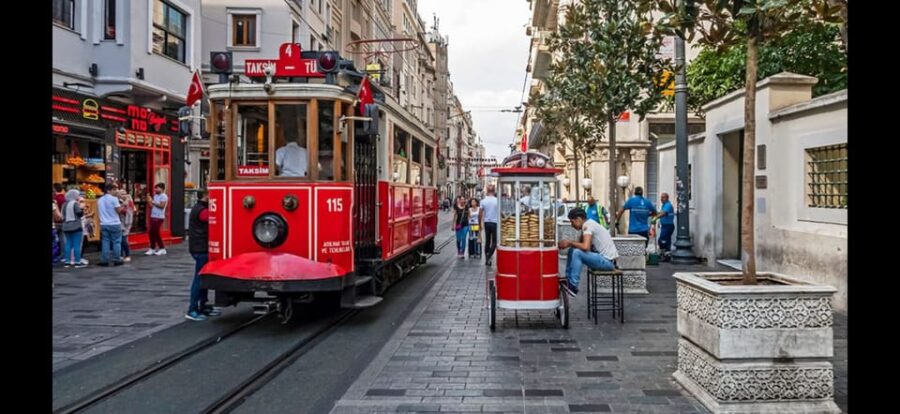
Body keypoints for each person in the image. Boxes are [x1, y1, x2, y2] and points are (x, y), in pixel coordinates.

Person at [558, 208, 618, 297]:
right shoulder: (588, 225)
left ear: (578, 219)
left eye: (572, 222)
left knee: (577, 253)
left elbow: (585, 247)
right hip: (602, 259)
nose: (572, 225)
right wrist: (569, 244)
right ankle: (568, 279)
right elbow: (580, 246)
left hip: (608, 262)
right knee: (572, 250)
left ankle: (573, 285)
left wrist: (569, 242)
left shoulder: (588, 226)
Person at [185, 190, 220, 321]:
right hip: (200, 247)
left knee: (203, 277)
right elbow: (212, 218)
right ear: (205, 196)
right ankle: (192, 309)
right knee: (199, 278)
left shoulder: (199, 208)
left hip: (199, 246)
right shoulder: (202, 210)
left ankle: (203, 305)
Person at [97, 183, 125, 266]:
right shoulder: (114, 199)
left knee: (105, 242)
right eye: (114, 190)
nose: (116, 191)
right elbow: (118, 211)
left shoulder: (100, 200)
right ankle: (117, 259)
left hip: (104, 223)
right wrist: (123, 204)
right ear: (109, 190)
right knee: (116, 242)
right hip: (114, 223)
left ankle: (104, 260)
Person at [60, 189, 86, 268]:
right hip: (76, 226)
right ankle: (77, 262)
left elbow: (62, 215)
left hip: (65, 226)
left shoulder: (64, 204)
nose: (78, 196)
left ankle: (67, 262)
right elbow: (79, 214)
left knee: (68, 244)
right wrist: (82, 208)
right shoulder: (75, 203)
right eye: (77, 195)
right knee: (76, 245)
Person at [146, 183, 168, 256]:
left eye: (157, 188)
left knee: (155, 232)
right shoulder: (155, 196)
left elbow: (162, 206)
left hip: (159, 216)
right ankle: (152, 248)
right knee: (151, 232)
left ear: (162, 189)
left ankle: (162, 248)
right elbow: (151, 206)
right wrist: (149, 201)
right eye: (155, 188)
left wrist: (153, 202)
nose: (155, 189)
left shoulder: (164, 196)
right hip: (153, 215)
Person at [480, 185, 499, 266]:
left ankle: (487, 259)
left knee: (487, 241)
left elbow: (480, 213)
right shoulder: (497, 200)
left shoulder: (483, 201)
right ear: (494, 191)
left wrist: (480, 223)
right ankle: (489, 256)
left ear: (487, 191)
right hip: (495, 222)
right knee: (494, 242)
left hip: (487, 222)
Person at [656, 192, 676, 261]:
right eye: (661, 197)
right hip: (665, 226)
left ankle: (663, 254)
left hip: (668, 226)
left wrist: (655, 218)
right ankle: (667, 255)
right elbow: (661, 213)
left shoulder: (668, 205)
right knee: (667, 241)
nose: (661, 199)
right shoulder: (664, 205)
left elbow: (663, 213)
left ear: (667, 198)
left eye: (663, 197)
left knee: (661, 240)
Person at [118, 190, 135, 263]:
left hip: (127, 222)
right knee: (120, 239)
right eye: (122, 194)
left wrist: (125, 205)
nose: (124, 195)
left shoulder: (129, 201)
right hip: (120, 221)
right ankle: (121, 255)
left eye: (125, 193)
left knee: (123, 238)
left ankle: (127, 255)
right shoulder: (118, 201)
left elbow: (132, 210)